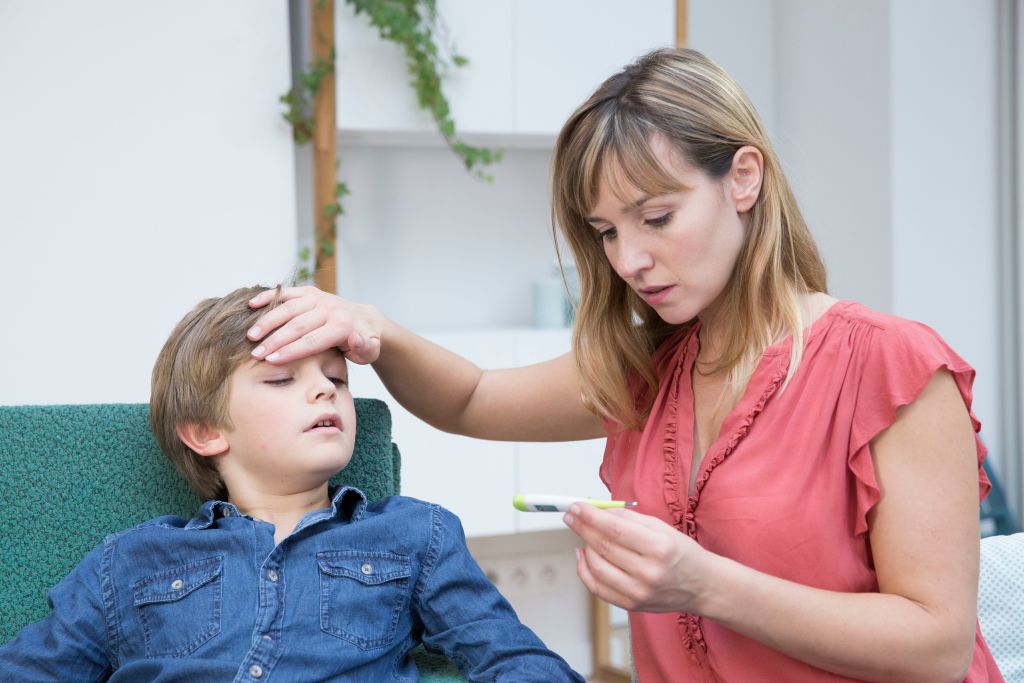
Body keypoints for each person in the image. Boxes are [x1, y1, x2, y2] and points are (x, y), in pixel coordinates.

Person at [245, 47, 1006, 682]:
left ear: (744, 177)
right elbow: (472, 399)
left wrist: (704, 585)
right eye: (606, 231)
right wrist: (375, 328)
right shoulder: (651, 366)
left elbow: (936, 645)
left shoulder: (893, 366)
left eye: (657, 217)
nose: (630, 259)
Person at [0, 285, 584, 682]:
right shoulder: (130, 562)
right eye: (281, 380)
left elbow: (511, 657)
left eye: (335, 376)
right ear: (205, 431)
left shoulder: (415, 534)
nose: (326, 389)